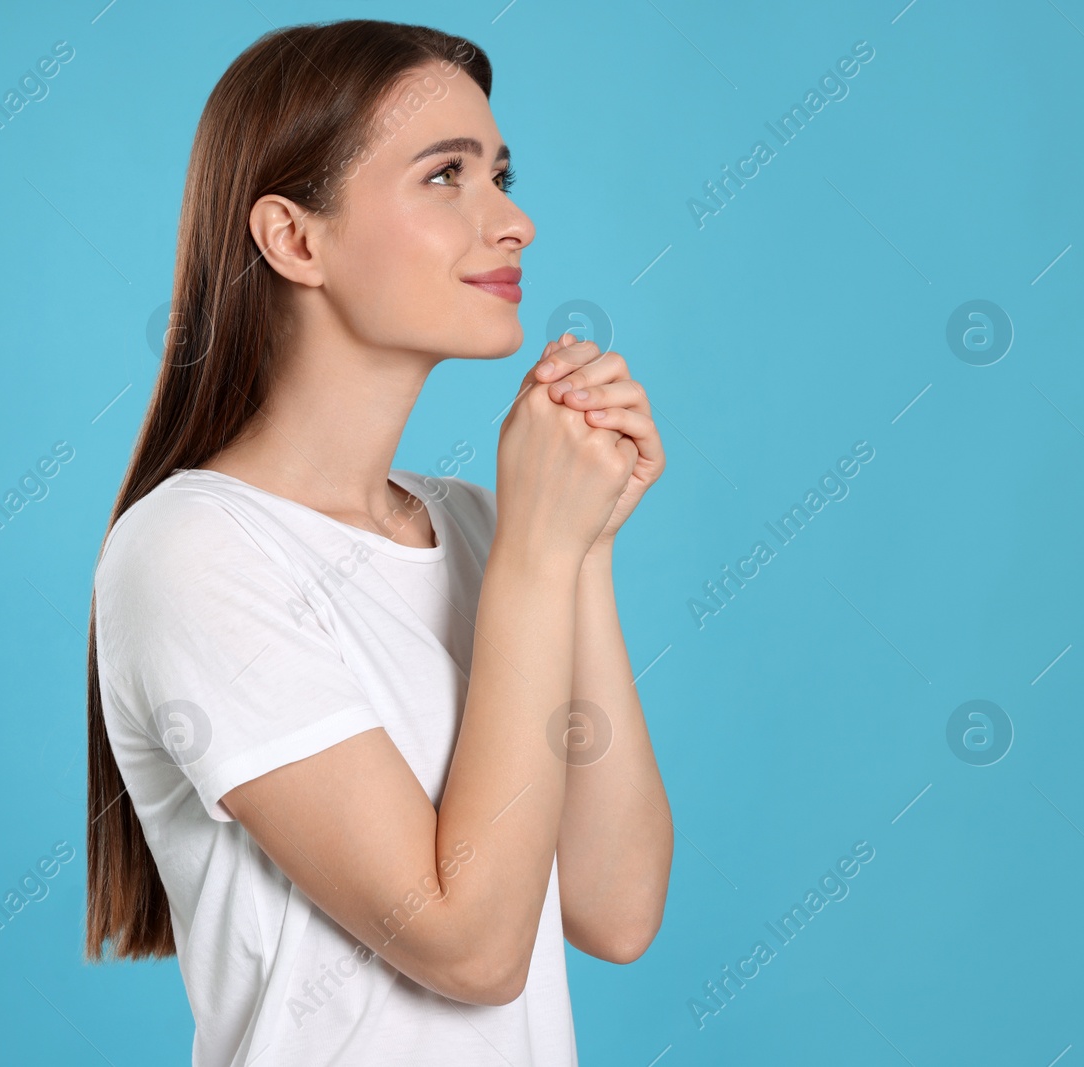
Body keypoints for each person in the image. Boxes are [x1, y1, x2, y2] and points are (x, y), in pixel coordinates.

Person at [85, 18, 671, 1065]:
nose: (515, 221)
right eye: (446, 175)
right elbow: (470, 945)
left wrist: (579, 545)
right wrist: (539, 550)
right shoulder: (189, 551)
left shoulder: (480, 525)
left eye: (499, 171)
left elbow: (614, 907)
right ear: (294, 239)